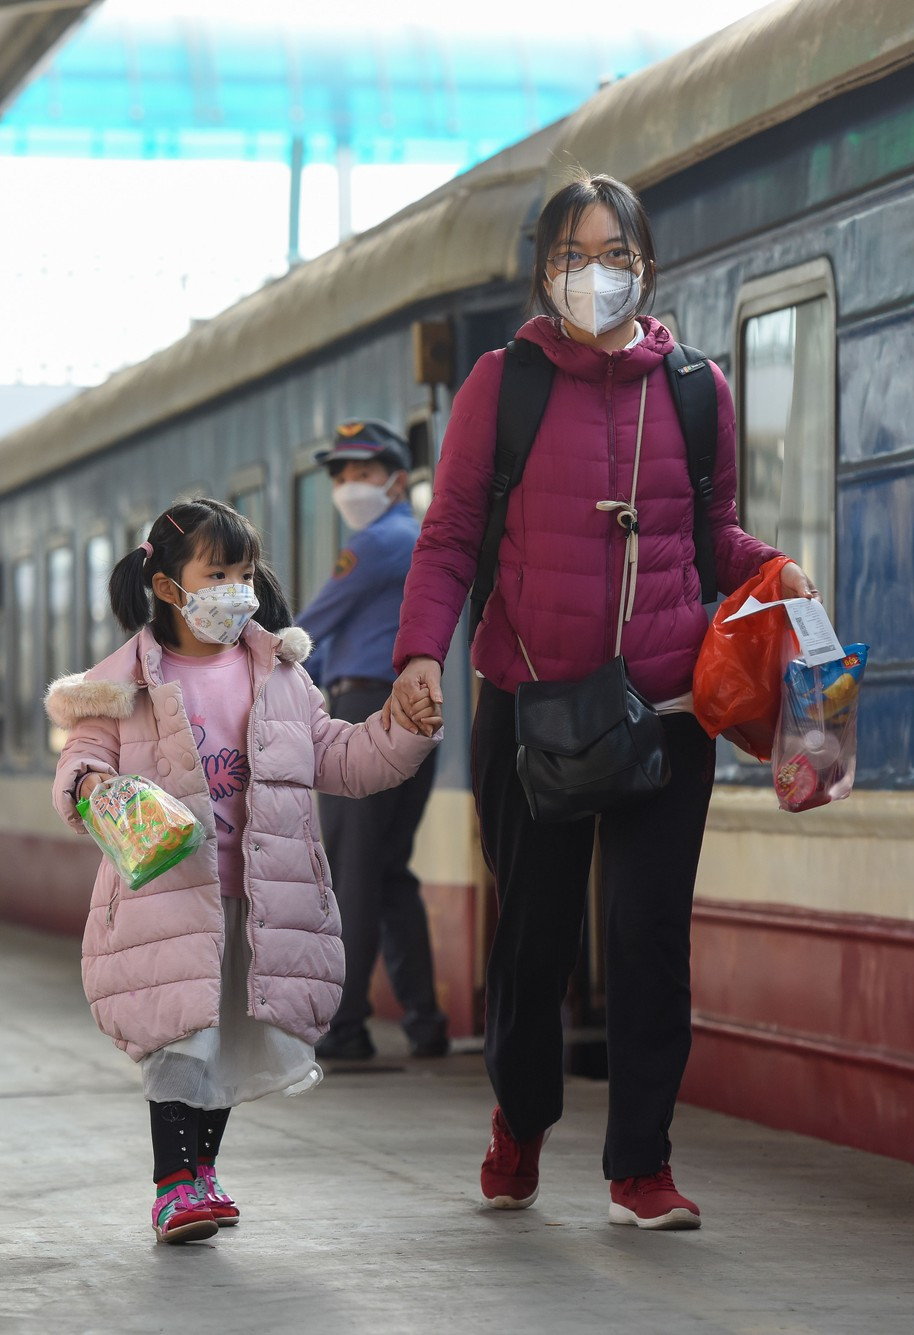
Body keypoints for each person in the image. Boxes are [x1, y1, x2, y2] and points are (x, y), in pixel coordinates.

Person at [387, 173, 819, 1232]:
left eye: (616, 254)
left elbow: (711, 533)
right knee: (533, 940)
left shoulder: (695, 390)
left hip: (666, 709)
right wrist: (418, 657)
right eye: (575, 255)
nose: (597, 274)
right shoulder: (503, 384)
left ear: (647, 267)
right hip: (532, 705)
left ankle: (641, 1165)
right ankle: (522, 1121)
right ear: (545, 272)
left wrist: (773, 567)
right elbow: (449, 537)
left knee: (647, 937)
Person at [45, 499, 439, 1244]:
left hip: (257, 895)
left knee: (227, 1033)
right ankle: (172, 1186)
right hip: (167, 895)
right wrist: (92, 785)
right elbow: (84, 758)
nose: (237, 589)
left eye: (245, 573)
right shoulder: (122, 685)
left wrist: (401, 730)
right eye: (217, 573)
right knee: (180, 1038)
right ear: (168, 587)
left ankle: (204, 1170)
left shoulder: (279, 674)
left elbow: (339, 758)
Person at [298, 419, 449, 1061]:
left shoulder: (377, 543)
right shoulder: (413, 541)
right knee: (387, 873)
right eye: (340, 475)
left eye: (362, 472)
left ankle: (345, 1026)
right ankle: (425, 1023)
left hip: (365, 711)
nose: (348, 485)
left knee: (354, 871)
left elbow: (308, 630)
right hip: (411, 715)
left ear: (396, 479)